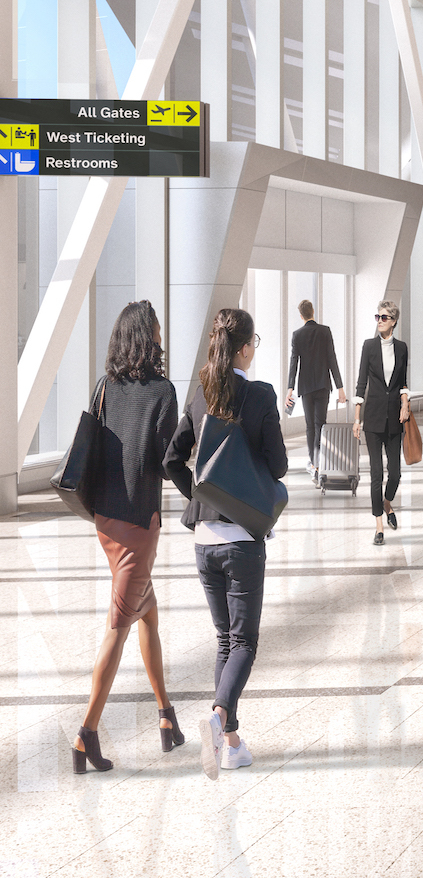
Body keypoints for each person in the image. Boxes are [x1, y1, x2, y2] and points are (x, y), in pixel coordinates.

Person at [166, 306, 290, 779]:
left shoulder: (201, 395)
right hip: (242, 539)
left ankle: (231, 743)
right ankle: (218, 719)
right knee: (245, 642)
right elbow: (277, 465)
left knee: (225, 639)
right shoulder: (259, 396)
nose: (255, 349)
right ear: (243, 347)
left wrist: (203, 496)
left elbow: (171, 460)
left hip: (203, 540)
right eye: (254, 342)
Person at [70, 300, 183, 775]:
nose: (162, 334)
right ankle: (85, 735)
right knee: (118, 627)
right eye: (157, 328)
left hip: (105, 520)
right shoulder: (163, 391)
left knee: (148, 615)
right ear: (149, 336)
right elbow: (165, 460)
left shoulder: (104, 386)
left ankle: (166, 716)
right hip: (139, 525)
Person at [352, 301, 412, 546]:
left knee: (395, 473)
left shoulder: (402, 348)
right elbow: (360, 383)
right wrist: (357, 419)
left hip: (395, 417)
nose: (379, 320)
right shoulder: (369, 347)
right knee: (376, 474)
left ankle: (387, 503)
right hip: (373, 418)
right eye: (377, 316)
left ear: (394, 321)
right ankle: (379, 525)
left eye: (384, 317)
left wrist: (406, 403)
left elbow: (403, 382)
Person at [283, 299, 343, 473]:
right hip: (323, 385)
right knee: (321, 424)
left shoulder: (297, 335)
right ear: (313, 312)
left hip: (306, 387)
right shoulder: (325, 331)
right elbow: (332, 359)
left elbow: (294, 362)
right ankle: (321, 461)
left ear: (301, 316)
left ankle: (314, 463)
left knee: (310, 426)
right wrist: (340, 387)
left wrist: (290, 389)